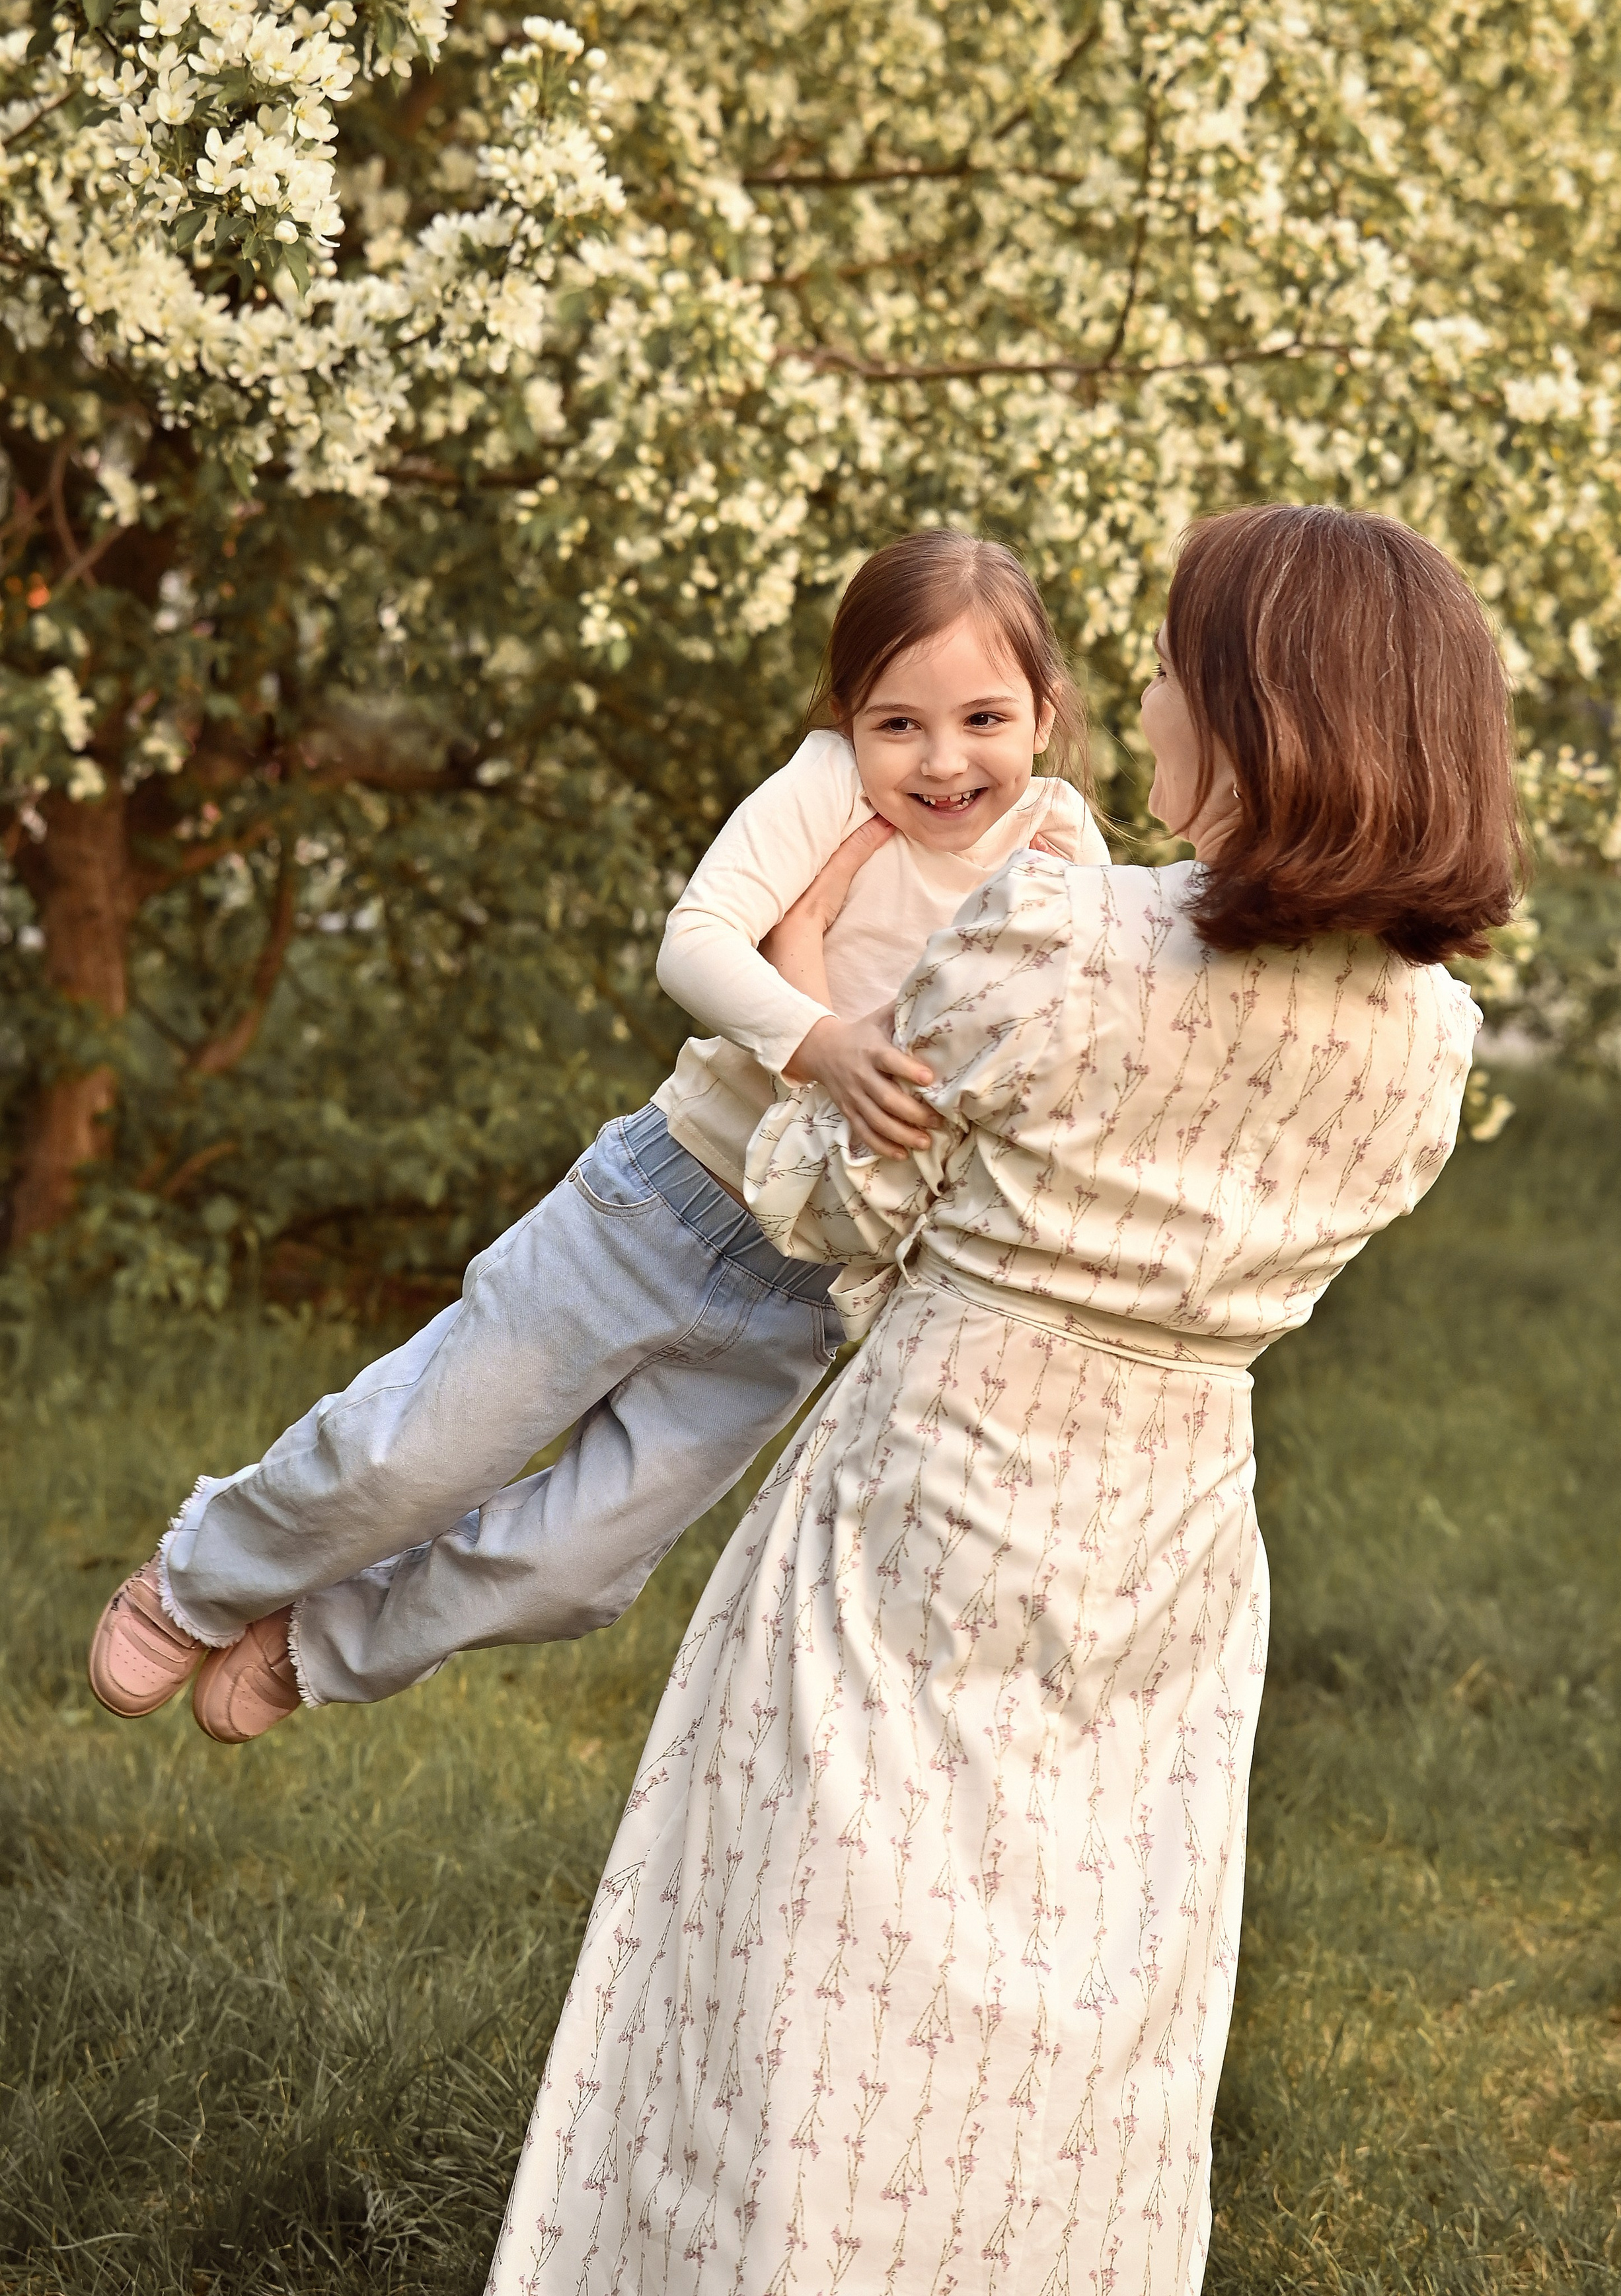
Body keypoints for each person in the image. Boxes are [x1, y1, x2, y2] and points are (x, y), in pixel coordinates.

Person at [486, 504, 1523, 2295]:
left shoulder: (1060, 930)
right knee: (1087, 1981)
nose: (1144, 696)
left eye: (1176, 669)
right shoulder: (1429, 1040)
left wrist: (801, 980)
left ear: (1260, 719)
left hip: (935, 1491)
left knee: (819, 1945)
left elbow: (835, 1200)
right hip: (1171, 1536)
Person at [87, 531, 1111, 1743]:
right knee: (420, 1454)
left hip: (806, 1298)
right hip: (662, 1204)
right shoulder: (831, 785)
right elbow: (697, 941)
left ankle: (323, 1638)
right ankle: (202, 1577)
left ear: (1044, 713)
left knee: (579, 1570)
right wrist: (822, 1040)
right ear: (849, 718)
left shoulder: (1063, 858)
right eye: (900, 724)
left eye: (985, 719)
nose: (942, 761)